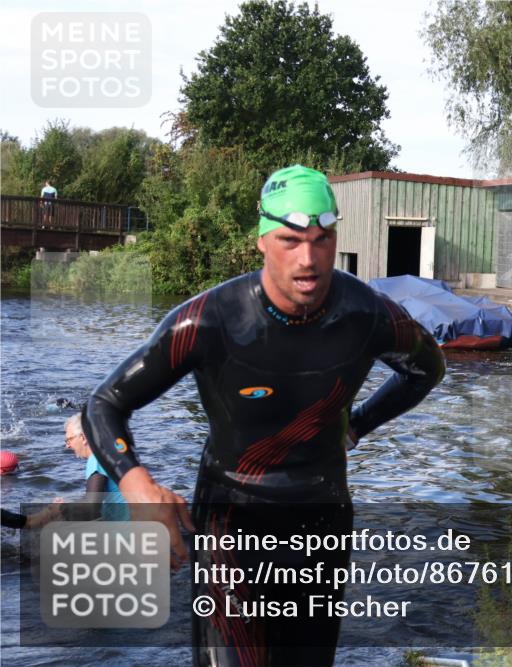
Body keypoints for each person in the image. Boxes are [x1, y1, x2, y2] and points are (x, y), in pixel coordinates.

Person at [82, 164, 446, 666]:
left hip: (322, 520)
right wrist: (135, 483)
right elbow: (104, 404)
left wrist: (358, 424)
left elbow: (427, 370)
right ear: (261, 241)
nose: (309, 258)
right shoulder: (207, 320)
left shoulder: (368, 315)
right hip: (231, 523)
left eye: (322, 240)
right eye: (291, 239)